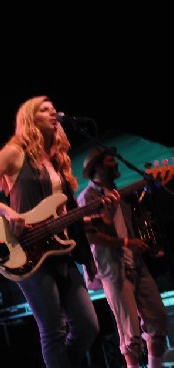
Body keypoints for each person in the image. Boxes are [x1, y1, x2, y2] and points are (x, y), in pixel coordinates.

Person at [0, 95, 117, 368]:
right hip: (27, 249)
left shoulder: (58, 162)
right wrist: (8, 212)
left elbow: (63, 217)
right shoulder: (14, 153)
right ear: (29, 118)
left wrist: (97, 218)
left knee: (87, 326)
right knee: (54, 329)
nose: (54, 112)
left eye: (53, 108)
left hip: (58, 247)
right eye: (44, 109)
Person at [77, 147, 169, 368]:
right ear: (97, 167)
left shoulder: (120, 192)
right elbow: (90, 237)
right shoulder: (87, 198)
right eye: (111, 161)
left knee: (158, 321)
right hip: (112, 269)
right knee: (130, 335)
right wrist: (126, 243)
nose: (117, 164)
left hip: (136, 263)